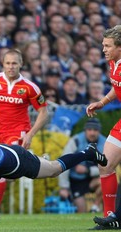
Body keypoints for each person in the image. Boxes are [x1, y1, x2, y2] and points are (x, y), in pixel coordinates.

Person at [0, 49, 48, 224]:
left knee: (0, 168)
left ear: (21, 64)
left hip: (19, 133)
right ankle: (39, 161)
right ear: (2, 64)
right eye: (8, 63)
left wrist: (30, 134)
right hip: (1, 134)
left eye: (14, 63)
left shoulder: (29, 87)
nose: (11, 67)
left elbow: (44, 112)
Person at [86, 25, 121, 230]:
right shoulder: (113, 62)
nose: (103, 49)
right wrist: (102, 102)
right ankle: (111, 217)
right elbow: (117, 87)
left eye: (107, 45)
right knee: (105, 164)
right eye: (103, 45)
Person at [58, 118, 106, 213]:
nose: (92, 133)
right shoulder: (75, 140)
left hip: (92, 179)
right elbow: (64, 162)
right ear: (85, 130)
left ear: (99, 131)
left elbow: (108, 166)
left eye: (95, 130)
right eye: (89, 130)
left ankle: (95, 207)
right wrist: (64, 187)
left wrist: (88, 170)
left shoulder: (105, 143)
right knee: (81, 209)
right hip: (76, 181)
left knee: (105, 183)